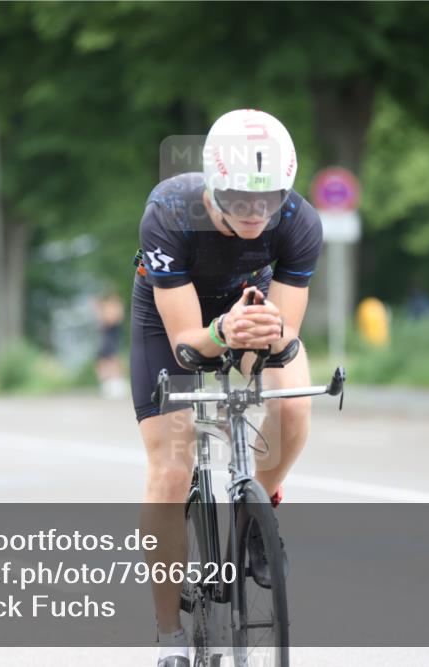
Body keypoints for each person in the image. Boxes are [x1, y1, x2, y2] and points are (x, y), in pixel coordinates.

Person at [129, 109, 323, 666]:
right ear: (214, 185)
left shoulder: (299, 221)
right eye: (241, 199)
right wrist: (221, 333)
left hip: (248, 304)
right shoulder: (169, 211)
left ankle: (257, 514)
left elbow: (284, 337)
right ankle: (170, 636)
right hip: (173, 321)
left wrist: (264, 336)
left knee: (292, 406)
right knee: (172, 469)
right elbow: (187, 345)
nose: (256, 213)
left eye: (269, 200)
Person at [94, 289, 127, 398]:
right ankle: (108, 382)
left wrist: (102, 309)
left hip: (111, 337)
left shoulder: (116, 308)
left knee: (112, 359)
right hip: (105, 338)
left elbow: (110, 320)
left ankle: (117, 382)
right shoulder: (109, 308)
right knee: (103, 360)